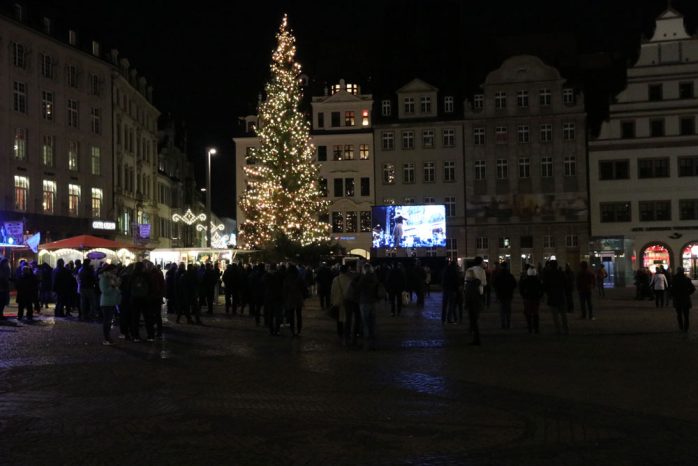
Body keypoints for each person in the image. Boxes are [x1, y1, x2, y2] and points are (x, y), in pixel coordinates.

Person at [358, 263, 381, 350]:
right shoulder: (374, 277)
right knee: (372, 320)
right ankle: (373, 335)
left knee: (365, 321)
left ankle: (366, 336)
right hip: (373, 301)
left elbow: (358, 287)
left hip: (364, 301)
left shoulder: (363, 277)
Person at [542, 260, 569, 335]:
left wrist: (546, 293)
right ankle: (566, 329)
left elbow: (545, 285)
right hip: (560, 295)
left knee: (555, 315)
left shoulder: (548, 274)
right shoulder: (561, 273)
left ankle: (558, 330)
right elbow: (566, 283)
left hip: (552, 296)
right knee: (563, 314)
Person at [98, 264, 121, 345]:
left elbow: (116, 288)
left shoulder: (113, 278)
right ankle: (107, 338)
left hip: (112, 302)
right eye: (115, 269)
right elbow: (104, 291)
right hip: (106, 302)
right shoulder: (104, 278)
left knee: (109, 321)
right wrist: (113, 286)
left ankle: (108, 337)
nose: (116, 271)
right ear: (110, 270)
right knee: (107, 321)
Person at [283, 265, 306, 336]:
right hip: (298, 297)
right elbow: (303, 288)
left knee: (291, 315)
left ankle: (292, 330)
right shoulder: (299, 278)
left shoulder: (287, 278)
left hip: (290, 298)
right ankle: (299, 329)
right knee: (299, 314)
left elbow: (285, 289)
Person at [519, 266, 543, 333]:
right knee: (535, 313)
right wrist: (539, 296)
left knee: (528, 314)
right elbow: (541, 289)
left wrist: (524, 296)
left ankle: (530, 328)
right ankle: (536, 328)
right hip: (535, 298)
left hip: (528, 298)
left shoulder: (525, 280)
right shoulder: (537, 281)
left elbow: (521, 289)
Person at [493, 262, 517, 329]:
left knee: (502, 310)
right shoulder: (510, 275)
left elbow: (494, 284)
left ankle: (503, 323)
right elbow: (514, 284)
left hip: (501, 295)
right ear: (507, 267)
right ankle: (508, 323)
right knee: (508, 310)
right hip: (508, 294)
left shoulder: (498, 276)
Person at [671, 267, 695, 332]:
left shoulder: (674, 279)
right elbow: (693, 289)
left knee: (679, 314)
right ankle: (686, 327)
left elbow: (671, 290)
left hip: (677, 299)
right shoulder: (687, 279)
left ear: (677, 271)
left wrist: (674, 295)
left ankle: (681, 326)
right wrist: (688, 293)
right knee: (686, 314)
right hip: (685, 299)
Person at [464, 268, 482, 345]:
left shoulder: (470, 285)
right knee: (474, 322)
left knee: (473, 322)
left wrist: (466, 304)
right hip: (476, 305)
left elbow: (468, 296)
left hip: (472, 306)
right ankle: (475, 338)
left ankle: (476, 339)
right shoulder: (475, 283)